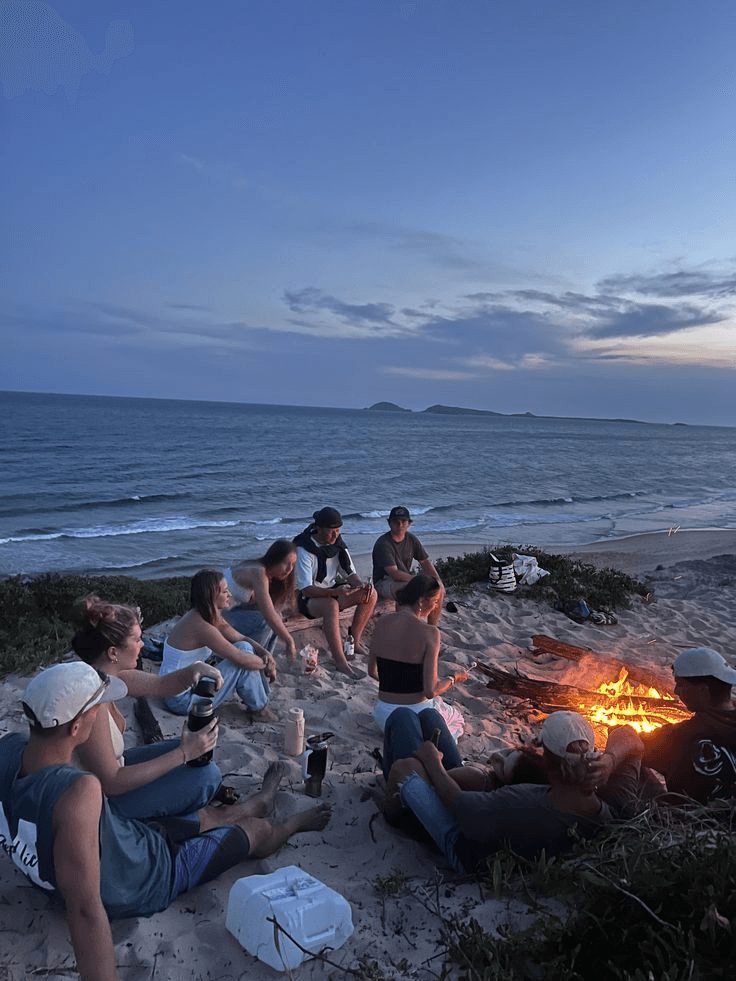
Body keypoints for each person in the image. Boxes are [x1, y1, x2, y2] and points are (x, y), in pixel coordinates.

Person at [0, 662, 331, 981]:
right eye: (98, 708)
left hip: (125, 842)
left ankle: (259, 800)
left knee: (203, 818)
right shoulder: (77, 792)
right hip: (151, 876)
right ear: (75, 727)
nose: (102, 712)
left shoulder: (10, 750)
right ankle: (290, 824)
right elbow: (85, 911)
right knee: (254, 833)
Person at [383, 709, 644, 873]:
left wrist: (432, 763)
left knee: (405, 750)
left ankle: (393, 809)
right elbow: (630, 736)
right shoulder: (617, 805)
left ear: (547, 763)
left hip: (465, 847)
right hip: (489, 820)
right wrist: (610, 760)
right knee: (430, 717)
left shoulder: (522, 803)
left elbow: (459, 804)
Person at [70, 594, 225, 821]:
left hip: (114, 770)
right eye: (137, 640)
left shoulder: (109, 676)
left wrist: (195, 669)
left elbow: (161, 685)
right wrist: (183, 753)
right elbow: (112, 783)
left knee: (191, 754)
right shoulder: (92, 701)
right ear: (113, 653)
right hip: (101, 805)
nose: (142, 645)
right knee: (207, 775)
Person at [591, 647, 736, 803]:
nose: (676, 691)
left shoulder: (681, 737)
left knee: (627, 754)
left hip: (687, 819)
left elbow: (628, 736)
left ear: (702, 690)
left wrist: (610, 760)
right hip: (727, 819)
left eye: (680, 685)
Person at [162, 569, 277, 720]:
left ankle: (259, 703)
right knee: (242, 662)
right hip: (181, 700)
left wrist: (265, 654)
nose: (229, 594)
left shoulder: (207, 615)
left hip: (186, 684)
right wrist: (266, 664)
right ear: (212, 596)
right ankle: (260, 709)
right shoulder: (201, 625)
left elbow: (241, 638)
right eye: (224, 591)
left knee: (245, 647)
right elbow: (240, 659)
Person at [367, 574, 469, 731]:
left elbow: (372, 671)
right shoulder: (430, 633)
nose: (435, 607)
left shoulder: (381, 623)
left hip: (383, 716)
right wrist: (454, 678)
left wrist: (396, 684)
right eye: (435, 602)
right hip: (415, 716)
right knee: (456, 718)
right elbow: (431, 691)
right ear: (421, 600)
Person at [293, 507, 376, 678]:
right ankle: (340, 661)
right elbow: (306, 589)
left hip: (331, 591)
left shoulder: (338, 545)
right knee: (331, 604)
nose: (335, 535)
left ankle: (355, 641)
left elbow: (350, 574)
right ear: (319, 528)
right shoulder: (304, 549)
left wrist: (360, 585)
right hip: (307, 598)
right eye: (331, 531)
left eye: (338, 531)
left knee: (371, 594)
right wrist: (335, 592)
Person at [222, 540, 298, 660]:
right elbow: (268, 614)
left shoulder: (262, 572)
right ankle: (253, 659)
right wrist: (290, 641)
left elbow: (268, 609)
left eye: (293, 564)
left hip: (230, 612)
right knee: (268, 621)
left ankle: (266, 660)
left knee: (276, 617)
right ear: (274, 559)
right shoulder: (258, 571)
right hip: (216, 617)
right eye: (285, 563)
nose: (289, 569)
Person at [372, 507, 445, 625]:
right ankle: (405, 626)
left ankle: (432, 626)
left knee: (439, 589)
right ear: (389, 523)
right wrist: (419, 582)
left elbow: (425, 561)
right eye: (396, 522)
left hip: (405, 578)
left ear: (409, 523)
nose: (400, 525)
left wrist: (437, 580)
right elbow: (394, 573)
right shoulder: (383, 544)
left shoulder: (411, 539)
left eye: (403, 521)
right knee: (408, 590)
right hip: (384, 581)